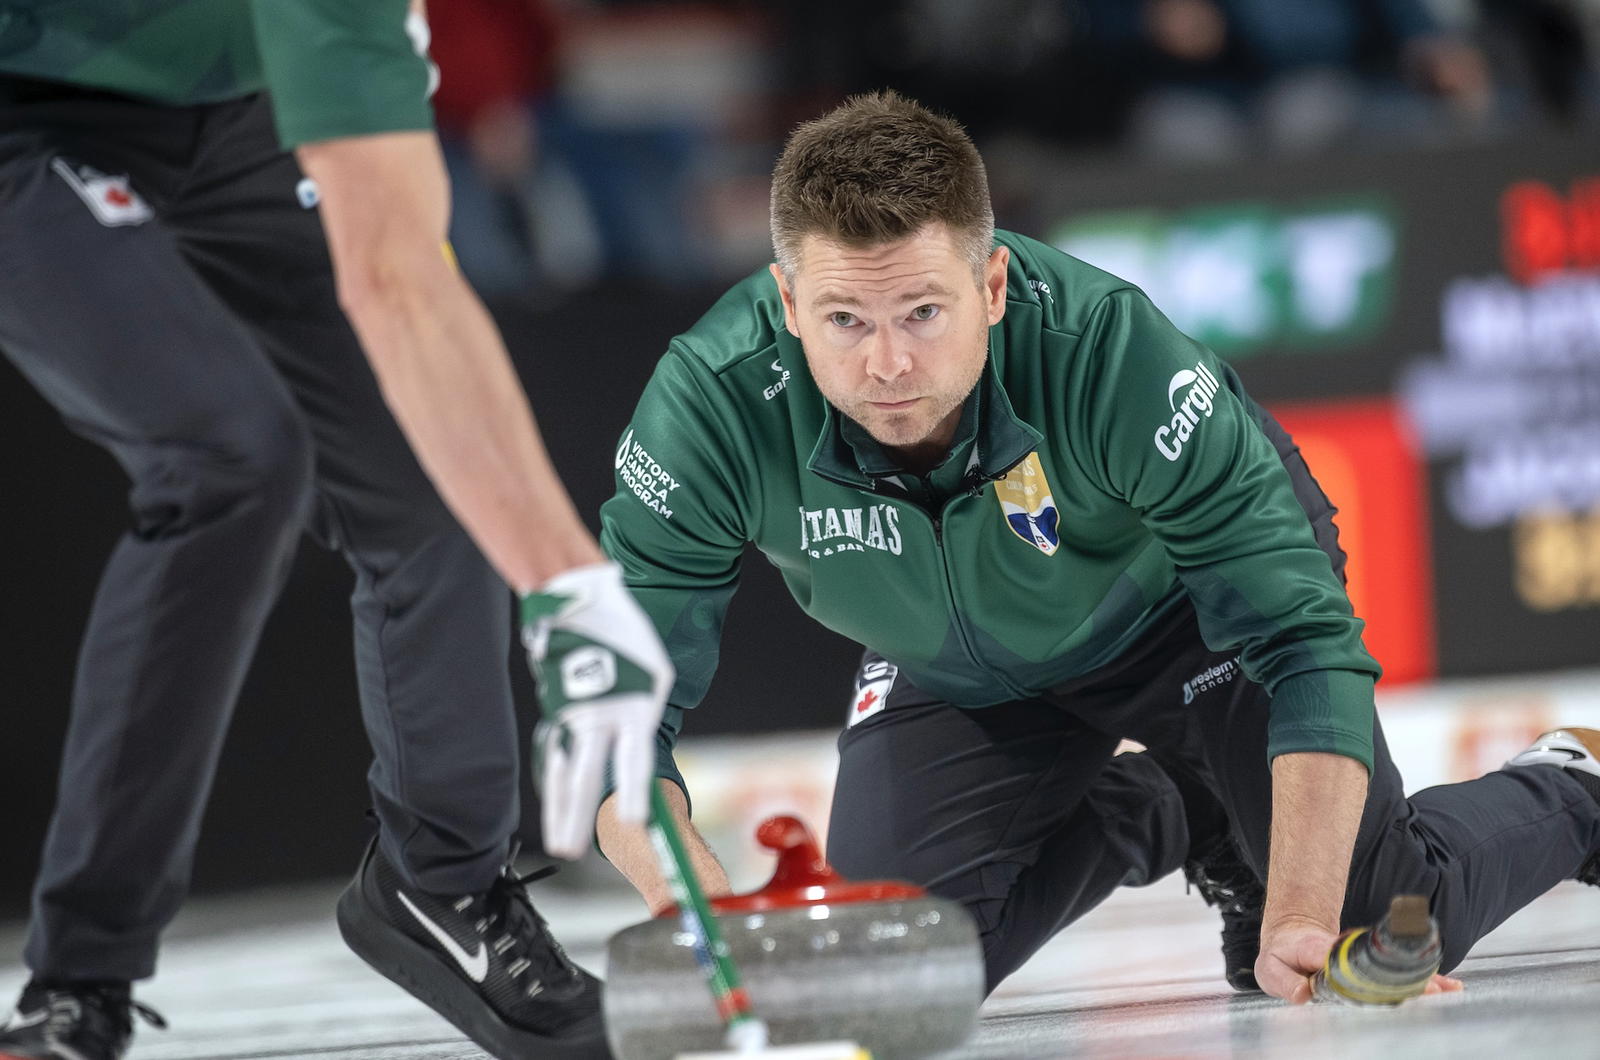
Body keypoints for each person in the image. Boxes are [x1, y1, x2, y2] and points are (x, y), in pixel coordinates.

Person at [591, 90, 1600, 1006]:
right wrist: (702, 915)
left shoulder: (1109, 353)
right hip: (956, 667)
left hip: (1187, 618)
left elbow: (1303, 641)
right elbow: (617, 724)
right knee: (885, 976)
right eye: (844, 319)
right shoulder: (708, 408)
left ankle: (1574, 783)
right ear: (786, 303)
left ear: (992, 284)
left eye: (923, 312)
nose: (887, 363)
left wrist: (1300, 910)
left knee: (1363, 925)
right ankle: (1180, 801)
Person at [0, 3, 669, 1059]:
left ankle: (443, 885)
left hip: (227, 107)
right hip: (23, 104)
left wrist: (568, 585)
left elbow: (402, 273)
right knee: (229, 459)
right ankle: (80, 976)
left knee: (437, 475)